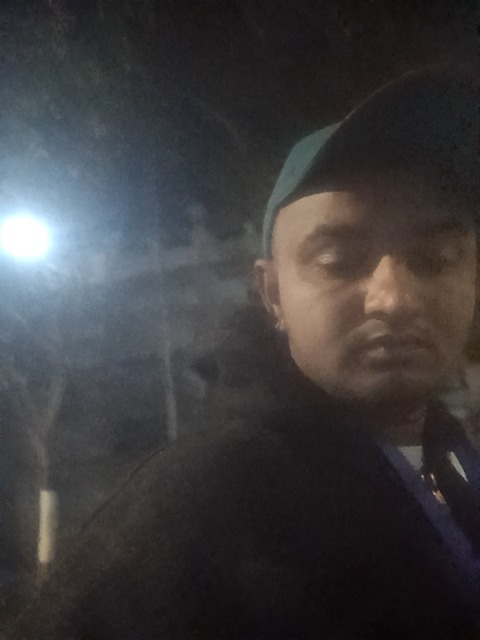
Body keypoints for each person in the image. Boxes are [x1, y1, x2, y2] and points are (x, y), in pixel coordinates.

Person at [10, 64, 480, 639]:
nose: (395, 299)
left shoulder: (450, 455)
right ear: (273, 294)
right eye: (339, 262)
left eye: (434, 260)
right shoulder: (200, 505)